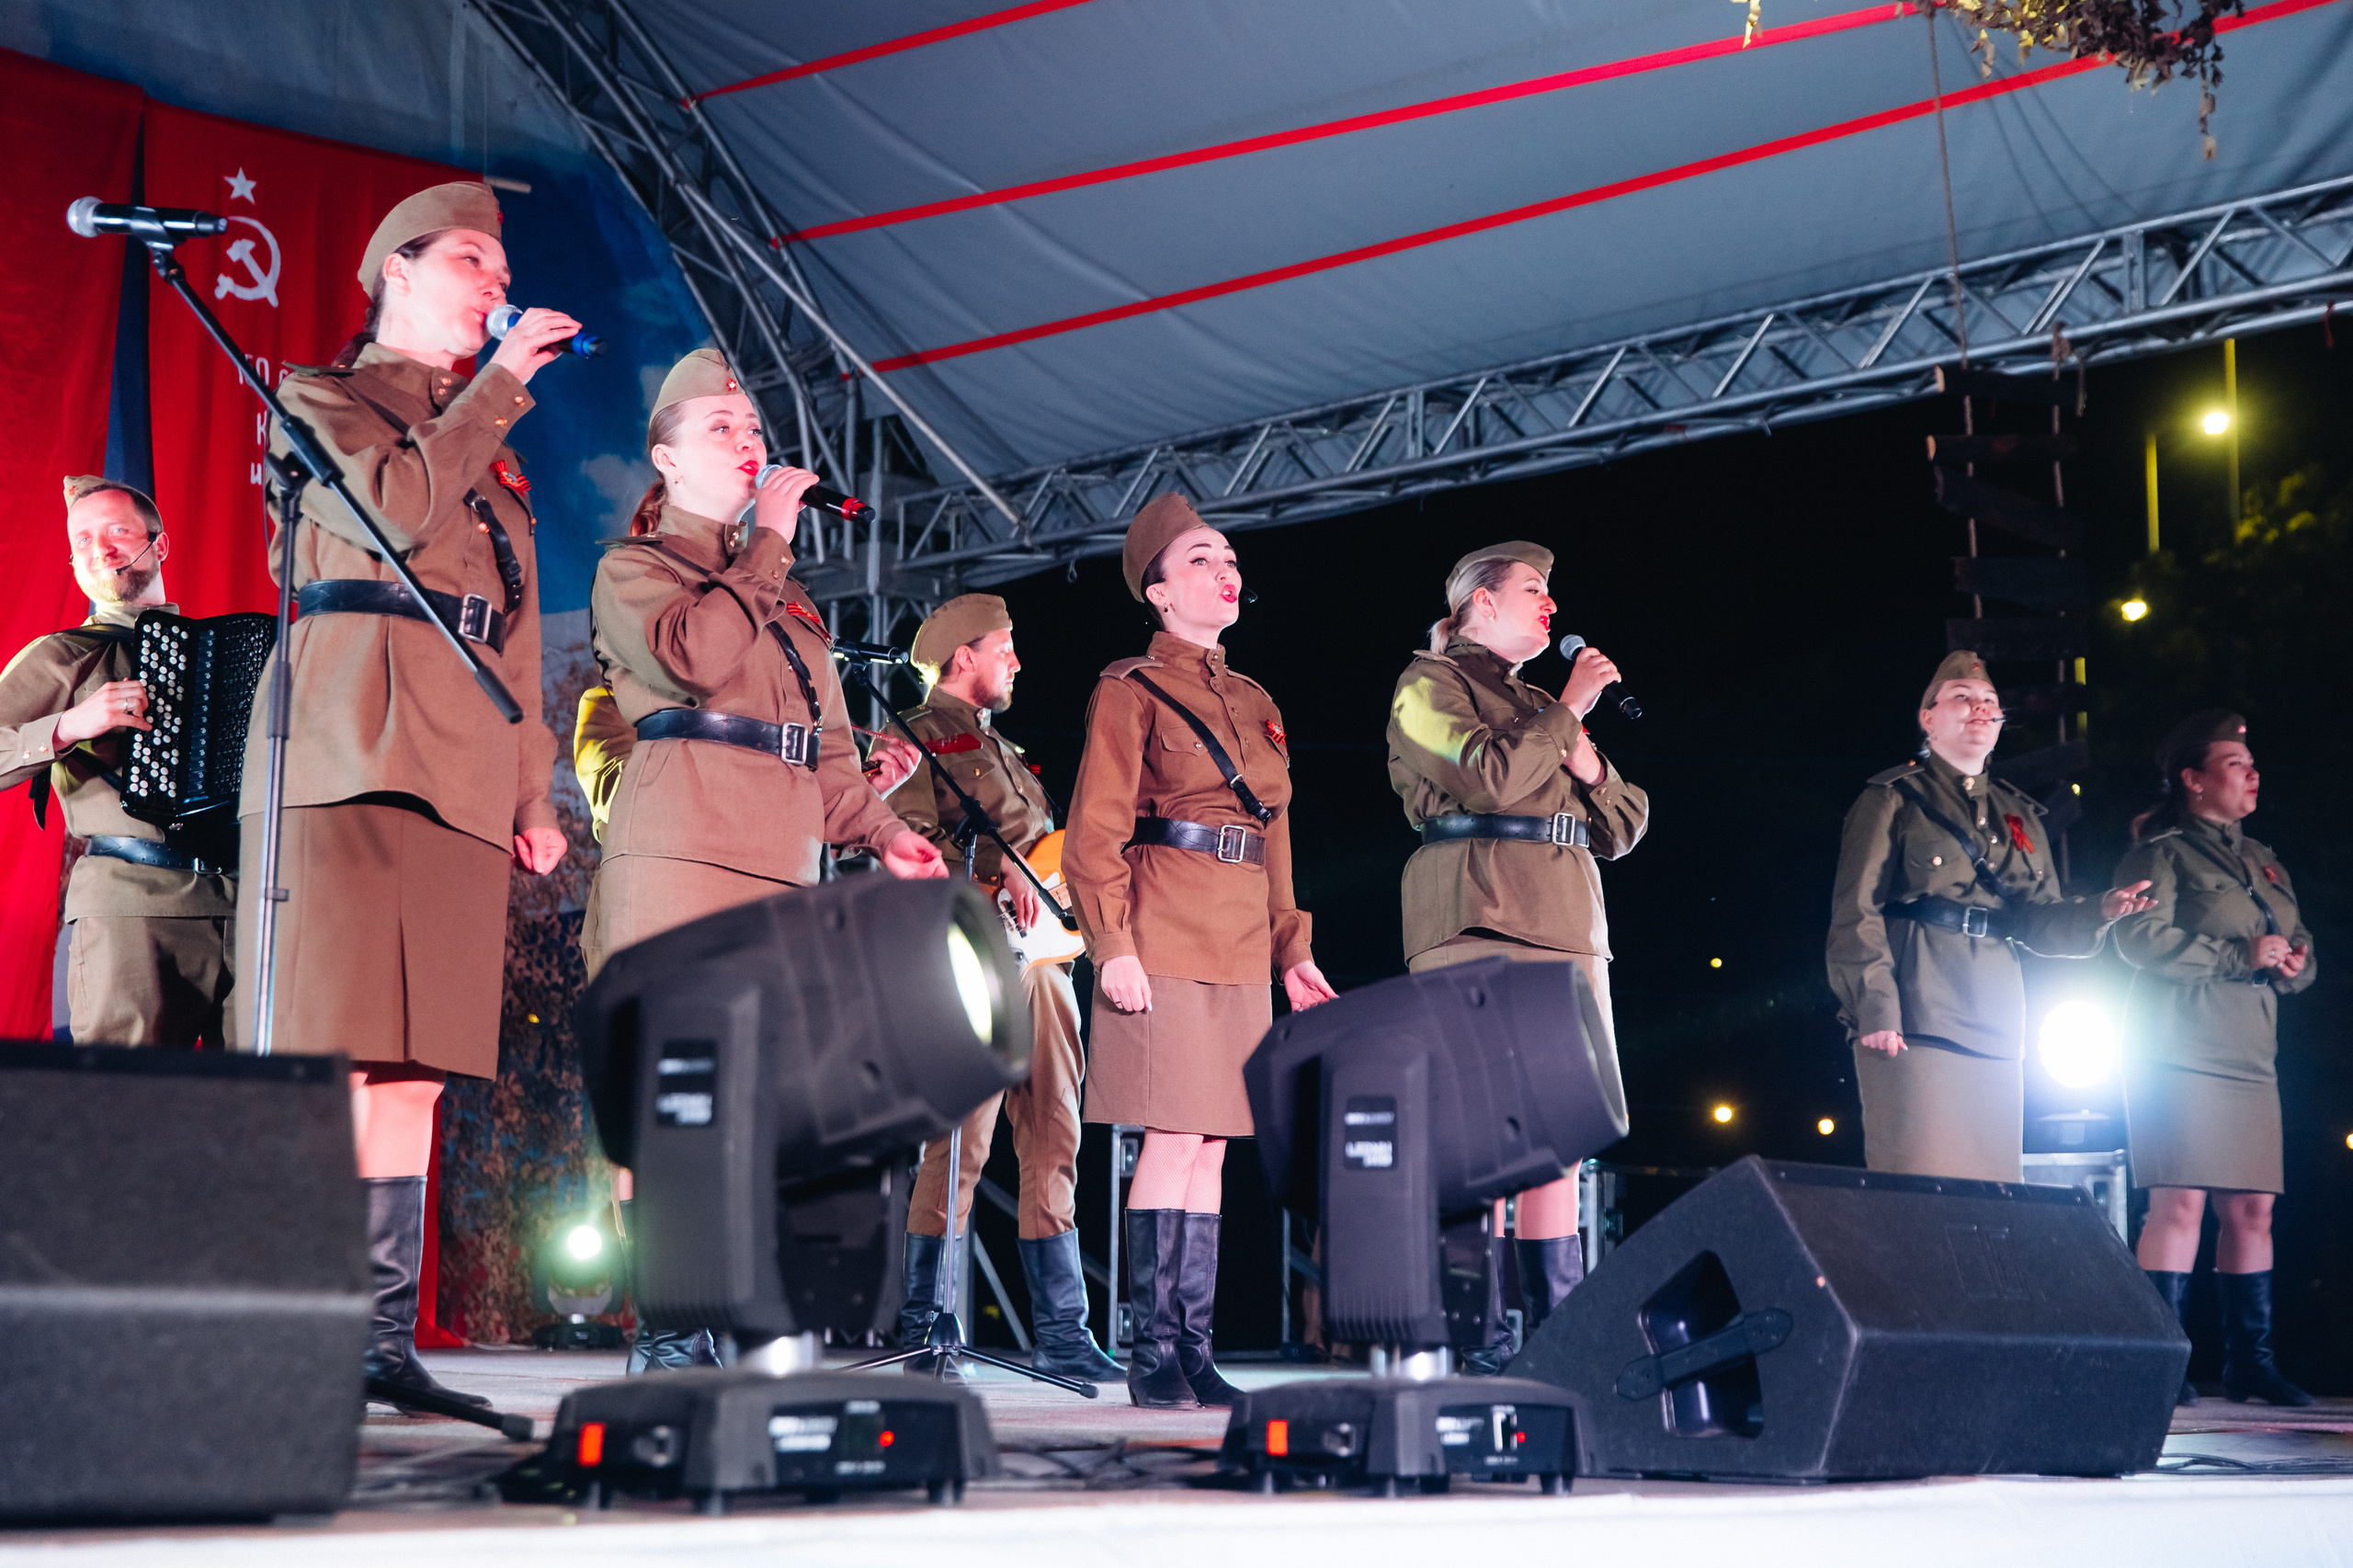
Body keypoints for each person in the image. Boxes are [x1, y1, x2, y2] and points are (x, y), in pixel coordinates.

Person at [232, 182, 574, 1406]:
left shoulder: (493, 449)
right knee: (327, 1048)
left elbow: (519, 646)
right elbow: (391, 510)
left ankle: (379, 1343)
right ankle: (292, 1323)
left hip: (462, 767)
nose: (495, 284)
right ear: (395, 273)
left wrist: (535, 797)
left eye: (498, 266)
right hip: (346, 749)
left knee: (416, 1063)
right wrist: (499, 387)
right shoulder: (319, 397)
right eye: (472, 262)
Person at [582, 348, 948, 1369]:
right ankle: (667, 1323)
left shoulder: (786, 601)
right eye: (722, 432)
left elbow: (827, 755)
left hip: (786, 860)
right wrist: (772, 539)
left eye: (753, 432)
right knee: (680, 1089)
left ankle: (734, 1308)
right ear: (667, 460)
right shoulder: (636, 568)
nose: (749, 446)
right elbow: (693, 658)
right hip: (683, 845)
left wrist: (883, 829)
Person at [1064, 493, 1337, 1410]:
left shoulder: (1255, 700)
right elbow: (1093, 830)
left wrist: (1290, 948)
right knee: (1173, 1135)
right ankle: (1152, 1349)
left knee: (1214, 1144)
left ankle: (1192, 1345)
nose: (1225, 571)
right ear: (1156, 590)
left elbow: (1278, 839)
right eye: (1199, 560)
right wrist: (1112, 943)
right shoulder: (1128, 688)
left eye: (1228, 558)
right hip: (1164, 921)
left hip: (1236, 937)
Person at [1385, 540, 1646, 1363]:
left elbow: (1626, 823)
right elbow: (1487, 780)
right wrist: (1567, 714)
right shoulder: (1427, 683)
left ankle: (1559, 1339)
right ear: (1478, 604)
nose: (1552, 606)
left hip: (1569, 925)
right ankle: (1481, 1336)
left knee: (1560, 1140)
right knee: (1483, 1136)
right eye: (1533, 589)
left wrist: (1580, 745)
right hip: (1481, 920)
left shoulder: (1542, 702)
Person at [884, 595, 1120, 1383]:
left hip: (1047, 965)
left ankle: (1062, 1332)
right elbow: (908, 846)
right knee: (960, 1143)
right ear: (963, 657)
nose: (1016, 662)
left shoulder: (1004, 749)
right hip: (975, 951)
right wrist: (991, 877)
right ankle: (927, 1323)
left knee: (1056, 1137)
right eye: (1004, 649)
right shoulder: (913, 735)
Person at [1826, 651, 2154, 1183]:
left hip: (1997, 1020)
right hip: (1918, 1010)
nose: (1979, 709)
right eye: (1962, 698)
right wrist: (1876, 1007)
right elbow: (1855, 912)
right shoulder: (1892, 799)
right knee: (1919, 1184)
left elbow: (2039, 922)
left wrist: (2100, 910)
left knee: (1989, 1196)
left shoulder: (2020, 813)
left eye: (1990, 703)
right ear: (1928, 718)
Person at [2117, 710, 2316, 1407]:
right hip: (2180, 1047)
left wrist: (2292, 963)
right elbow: (2137, 939)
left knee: (2253, 1208)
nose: (2252, 772)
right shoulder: (2162, 851)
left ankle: (2249, 1364)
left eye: (2252, 761)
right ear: (2193, 780)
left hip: (2249, 1051)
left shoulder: (2263, 857)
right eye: (2235, 762)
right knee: (2179, 1202)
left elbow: (2300, 944)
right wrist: (2237, 955)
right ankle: (2160, 1364)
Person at [0, 476, 233, 1046]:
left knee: (252, 1118)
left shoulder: (222, 654)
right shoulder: (65, 656)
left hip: (244, 909)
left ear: (160, 544)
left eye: (117, 531)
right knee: (130, 1115)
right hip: (132, 906)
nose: (99, 548)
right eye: (82, 539)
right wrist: (69, 726)